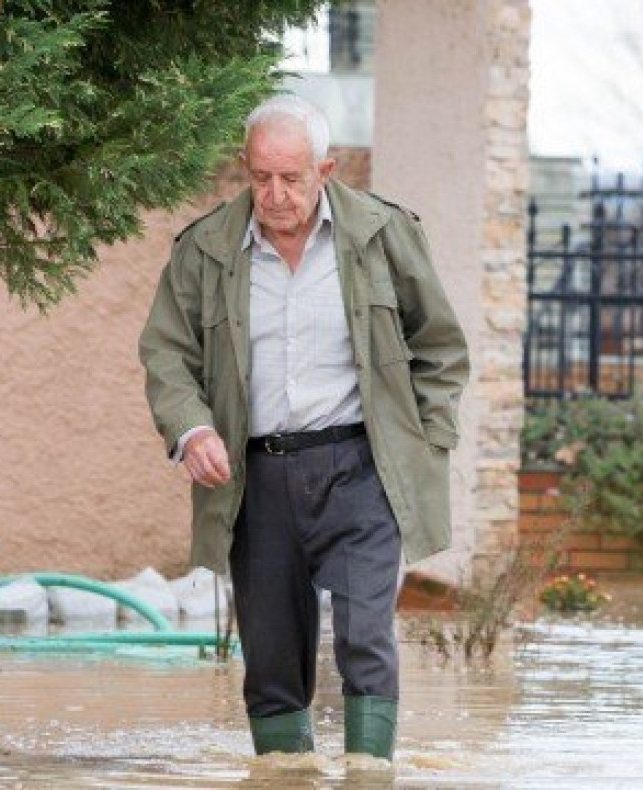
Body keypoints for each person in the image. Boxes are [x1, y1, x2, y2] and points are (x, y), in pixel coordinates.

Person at [138, 94, 469, 758]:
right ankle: (284, 773)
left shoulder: (383, 234)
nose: (276, 194)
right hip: (254, 475)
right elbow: (167, 353)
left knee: (365, 638)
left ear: (327, 168)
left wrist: (425, 445)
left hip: (360, 470)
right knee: (271, 659)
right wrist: (193, 429)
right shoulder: (206, 249)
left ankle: (369, 774)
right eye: (261, 177)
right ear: (245, 168)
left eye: (292, 177)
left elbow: (440, 346)